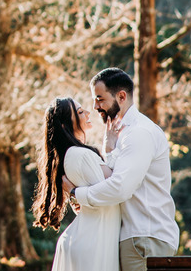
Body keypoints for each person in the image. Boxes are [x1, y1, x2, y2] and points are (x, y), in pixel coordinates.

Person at [64, 67, 179, 271]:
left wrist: (76, 194)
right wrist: (109, 151)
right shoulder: (124, 134)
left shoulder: (139, 133)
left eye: (100, 99)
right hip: (138, 237)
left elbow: (120, 188)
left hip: (143, 238)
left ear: (121, 96)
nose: (95, 106)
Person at [34, 97, 121, 271]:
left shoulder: (71, 155)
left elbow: (90, 197)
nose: (88, 113)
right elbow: (114, 189)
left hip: (87, 238)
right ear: (66, 125)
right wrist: (111, 150)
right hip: (93, 242)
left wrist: (75, 195)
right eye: (80, 112)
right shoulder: (80, 155)